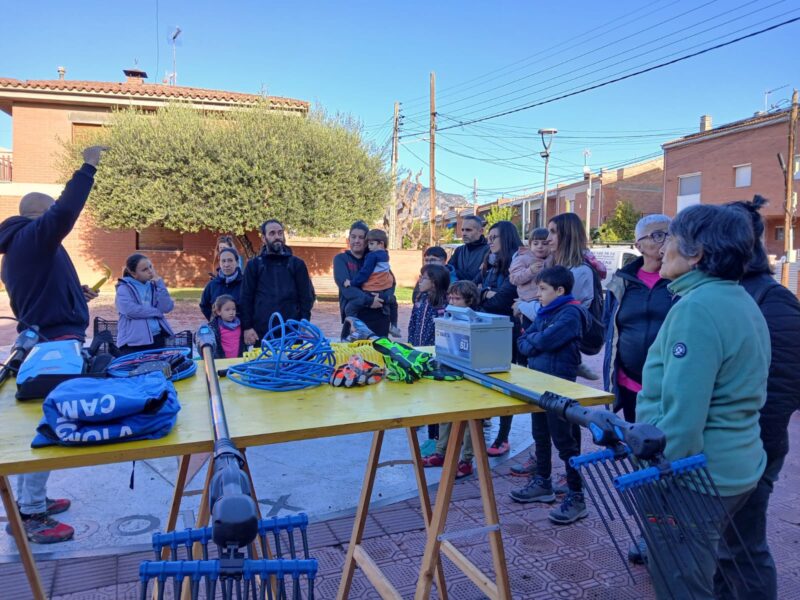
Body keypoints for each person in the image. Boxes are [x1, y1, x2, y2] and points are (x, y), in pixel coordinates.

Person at [636, 204, 770, 600]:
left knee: (682, 584)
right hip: (739, 464)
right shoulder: (738, 298)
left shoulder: (696, 308)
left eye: (670, 238)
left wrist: (653, 474)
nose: (661, 249)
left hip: (696, 478)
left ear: (696, 253)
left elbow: (681, 419)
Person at [0, 145, 106, 544]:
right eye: (49, 218)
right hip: (52, 347)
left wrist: (77, 296)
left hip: (51, 340)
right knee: (46, 427)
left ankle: (34, 501)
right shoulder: (32, 237)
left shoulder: (23, 246)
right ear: (38, 216)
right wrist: (88, 168)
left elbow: (43, 293)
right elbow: (64, 211)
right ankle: (31, 516)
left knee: (44, 424)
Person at [713, 196, 800, 600]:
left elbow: (784, 386)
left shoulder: (772, 298)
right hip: (728, 445)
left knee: (743, 548)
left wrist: (748, 442)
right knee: (723, 547)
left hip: (754, 446)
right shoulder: (725, 291)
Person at [509, 266, 591, 525]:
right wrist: (533, 341)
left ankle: (576, 496)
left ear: (560, 290)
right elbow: (523, 343)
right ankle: (543, 482)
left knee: (566, 442)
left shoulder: (571, 314)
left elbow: (540, 342)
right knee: (541, 436)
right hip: (539, 385)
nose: (538, 293)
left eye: (543, 289)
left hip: (560, 388)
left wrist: (533, 342)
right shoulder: (546, 312)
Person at [602, 215, 674, 423]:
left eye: (671, 235)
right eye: (659, 235)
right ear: (639, 246)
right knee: (637, 443)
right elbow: (609, 326)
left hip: (670, 385)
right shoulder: (621, 282)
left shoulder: (683, 281)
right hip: (631, 383)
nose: (667, 241)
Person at [421, 280, 481, 478]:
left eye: (458, 299)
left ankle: (466, 460)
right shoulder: (447, 316)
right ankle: (441, 451)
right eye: (451, 297)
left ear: (469, 301)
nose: (452, 302)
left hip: (470, 375)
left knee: (469, 421)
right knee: (446, 414)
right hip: (450, 370)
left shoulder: (476, 321)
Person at [474, 220, 521, 456]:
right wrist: (484, 292)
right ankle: (482, 426)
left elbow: (500, 300)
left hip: (506, 333)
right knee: (483, 380)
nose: (490, 241)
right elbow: (472, 291)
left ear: (507, 238)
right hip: (485, 330)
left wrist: (486, 294)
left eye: (495, 237)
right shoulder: (489, 264)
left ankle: (503, 437)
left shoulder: (517, 264)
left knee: (505, 385)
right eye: (489, 237)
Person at [240, 219, 315, 345]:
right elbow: (246, 297)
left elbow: (306, 297)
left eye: (280, 233)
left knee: (292, 364)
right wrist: (247, 327)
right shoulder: (254, 265)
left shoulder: (297, 264)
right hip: (262, 332)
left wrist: (304, 322)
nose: (277, 237)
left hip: (292, 331)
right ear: (264, 238)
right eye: (272, 233)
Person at [547, 213, 602, 380]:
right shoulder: (558, 266)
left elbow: (554, 311)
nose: (548, 238)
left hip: (563, 353)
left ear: (568, 235)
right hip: (554, 349)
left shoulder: (579, 271)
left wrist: (522, 305)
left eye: (553, 232)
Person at [333, 220, 394, 338]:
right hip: (354, 318)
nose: (357, 240)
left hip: (379, 317)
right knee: (351, 355)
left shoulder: (375, 257)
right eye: (353, 237)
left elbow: (391, 281)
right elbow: (346, 289)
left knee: (377, 355)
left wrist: (384, 297)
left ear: (367, 241)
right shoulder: (341, 259)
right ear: (349, 239)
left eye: (361, 237)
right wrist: (370, 301)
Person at [343, 229, 400, 337]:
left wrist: (352, 282)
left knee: (350, 308)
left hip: (371, 290)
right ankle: (394, 326)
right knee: (393, 303)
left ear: (381, 244)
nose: (369, 247)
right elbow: (391, 278)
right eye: (368, 244)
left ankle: (353, 326)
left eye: (371, 244)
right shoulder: (385, 255)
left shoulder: (372, 256)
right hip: (384, 290)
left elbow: (364, 274)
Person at [115, 253, 175, 354]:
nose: (150, 271)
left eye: (150, 267)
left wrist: (160, 284)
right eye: (144, 270)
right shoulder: (124, 288)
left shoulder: (154, 285)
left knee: (156, 368)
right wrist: (156, 312)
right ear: (134, 273)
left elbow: (166, 307)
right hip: (133, 343)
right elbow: (130, 311)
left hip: (156, 338)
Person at [510, 226, 550, 320]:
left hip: (546, 300)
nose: (540, 246)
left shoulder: (552, 259)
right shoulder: (522, 258)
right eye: (536, 244)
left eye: (544, 243)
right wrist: (530, 271)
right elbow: (514, 278)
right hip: (528, 301)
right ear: (530, 245)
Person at [199, 247, 244, 321]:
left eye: (230, 260)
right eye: (223, 261)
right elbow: (204, 305)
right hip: (218, 330)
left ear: (236, 262)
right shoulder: (212, 285)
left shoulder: (246, 284)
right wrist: (214, 320)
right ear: (219, 263)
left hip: (241, 329)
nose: (226, 264)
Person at [449, 215, 490, 281]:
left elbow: (479, 277)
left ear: (481, 231)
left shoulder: (489, 250)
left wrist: (457, 273)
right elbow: (449, 272)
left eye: (468, 230)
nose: (464, 233)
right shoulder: (459, 250)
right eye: (462, 230)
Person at [207, 294, 245, 359]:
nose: (231, 312)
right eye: (227, 310)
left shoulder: (241, 324)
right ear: (219, 312)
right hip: (221, 362)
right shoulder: (214, 327)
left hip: (238, 361)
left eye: (233, 309)